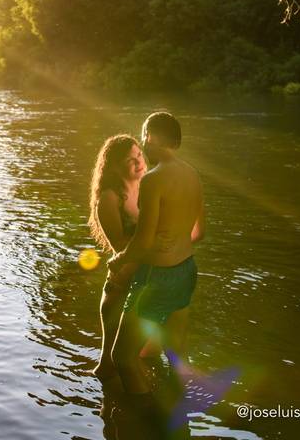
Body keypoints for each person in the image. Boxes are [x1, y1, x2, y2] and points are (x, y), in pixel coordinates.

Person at [108, 111, 205, 397]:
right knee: (176, 357)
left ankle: (145, 418)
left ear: (151, 136)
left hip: (156, 277)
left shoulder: (153, 180)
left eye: (143, 137)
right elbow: (200, 232)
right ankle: (178, 415)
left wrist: (119, 259)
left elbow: (143, 241)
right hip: (186, 270)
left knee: (123, 359)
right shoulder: (192, 174)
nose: (143, 144)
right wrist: (174, 240)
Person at [88, 134, 147, 379]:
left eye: (139, 155)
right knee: (108, 365)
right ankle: (108, 413)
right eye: (129, 160)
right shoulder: (109, 198)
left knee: (140, 357)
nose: (138, 162)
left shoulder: (148, 187)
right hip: (120, 286)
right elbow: (120, 245)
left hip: (145, 279)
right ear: (114, 166)